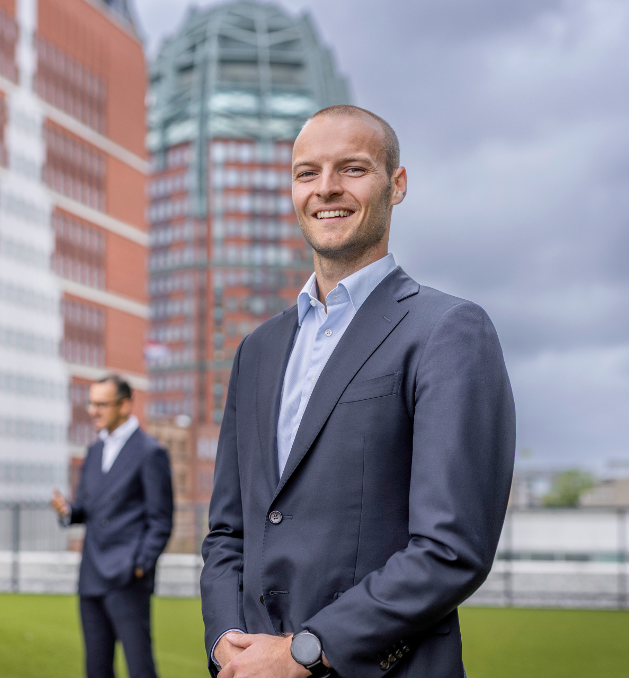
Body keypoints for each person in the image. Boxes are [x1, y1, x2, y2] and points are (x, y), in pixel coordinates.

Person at [200, 105, 515, 678]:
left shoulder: (449, 332)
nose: (326, 189)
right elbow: (228, 530)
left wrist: (305, 652)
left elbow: (451, 549)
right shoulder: (257, 351)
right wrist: (225, 638)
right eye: (307, 173)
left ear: (396, 185)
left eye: (352, 169)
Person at [51, 375, 174, 678]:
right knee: (96, 667)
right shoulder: (94, 451)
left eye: (101, 404)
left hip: (127, 577)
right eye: (91, 403)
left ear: (125, 405)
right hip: (91, 574)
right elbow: (87, 509)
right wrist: (68, 511)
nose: (92, 410)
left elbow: (161, 519)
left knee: (139, 666)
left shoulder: (150, 451)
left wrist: (140, 566)